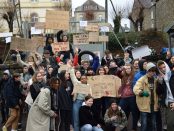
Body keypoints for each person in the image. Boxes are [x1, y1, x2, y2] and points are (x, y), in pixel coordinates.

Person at [133, 62, 159, 131]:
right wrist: (142, 93)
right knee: (144, 123)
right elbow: (135, 89)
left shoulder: (156, 80)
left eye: (153, 71)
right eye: (150, 71)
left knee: (154, 123)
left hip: (153, 105)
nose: (152, 72)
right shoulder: (142, 79)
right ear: (147, 71)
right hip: (144, 105)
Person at [67, 60, 88, 131]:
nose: (83, 80)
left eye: (85, 78)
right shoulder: (77, 83)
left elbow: (90, 95)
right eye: (82, 78)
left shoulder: (89, 86)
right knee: (76, 118)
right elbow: (72, 76)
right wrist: (71, 68)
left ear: (87, 79)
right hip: (77, 102)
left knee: (84, 118)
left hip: (85, 103)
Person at [118, 64, 139, 131]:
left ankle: (134, 128)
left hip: (132, 97)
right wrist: (120, 92)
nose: (127, 70)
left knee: (134, 113)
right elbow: (118, 73)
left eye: (129, 68)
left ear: (131, 69)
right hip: (124, 97)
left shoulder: (135, 76)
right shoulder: (123, 77)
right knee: (123, 113)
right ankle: (124, 127)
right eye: (126, 69)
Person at [156, 60, 174, 131]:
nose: (163, 69)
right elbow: (158, 92)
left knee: (170, 123)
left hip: (172, 102)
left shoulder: (172, 75)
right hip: (167, 103)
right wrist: (160, 82)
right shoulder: (161, 78)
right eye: (160, 68)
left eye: (164, 67)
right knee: (169, 123)